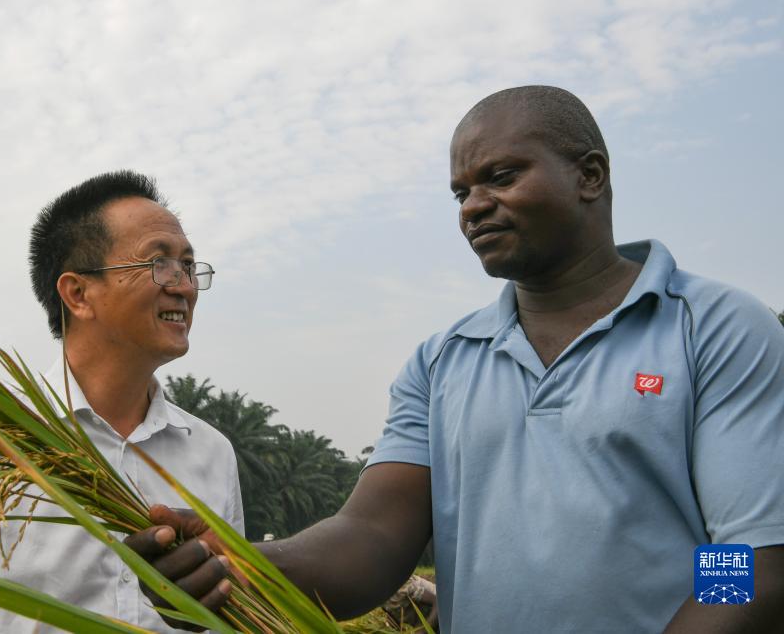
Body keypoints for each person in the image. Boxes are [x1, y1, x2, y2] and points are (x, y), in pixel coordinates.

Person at [128, 87, 784, 632]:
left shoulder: (714, 328)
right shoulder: (442, 362)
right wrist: (236, 558)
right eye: (460, 191)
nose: (472, 206)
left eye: (500, 176)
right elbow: (371, 539)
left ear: (590, 176)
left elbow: (743, 557)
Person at [0, 171, 243, 633]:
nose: (183, 285)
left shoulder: (212, 451)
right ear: (78, 294)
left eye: (188, 265)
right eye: (159, 264)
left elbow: (230, 608)